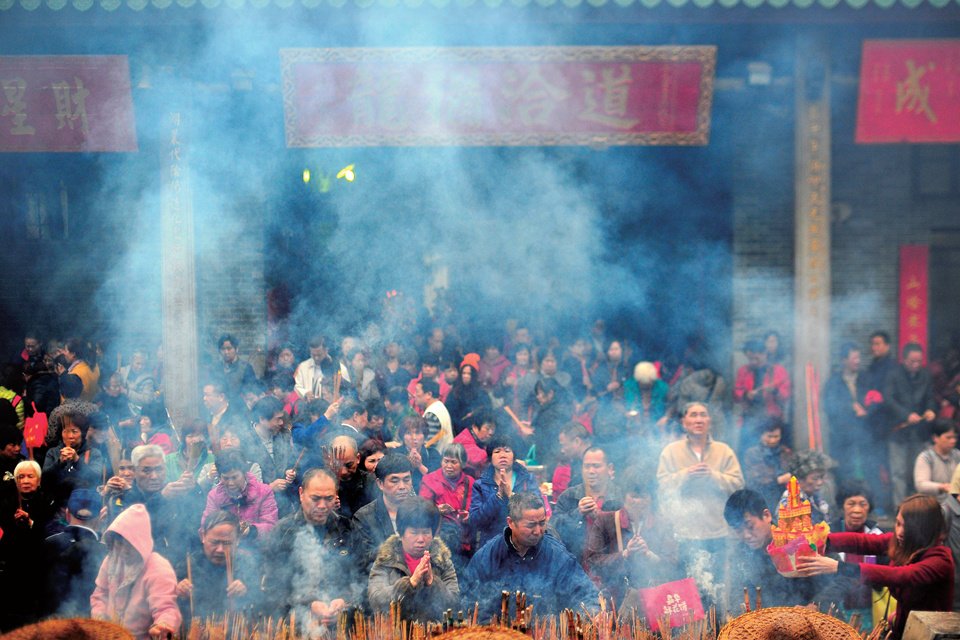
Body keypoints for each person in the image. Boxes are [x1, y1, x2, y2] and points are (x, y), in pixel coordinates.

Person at [797, 494, 954, 640]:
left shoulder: (940, 559)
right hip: (902, 628)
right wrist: (822, 541)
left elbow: (900, 575)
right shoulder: (903, 543)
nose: (899, 531)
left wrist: (839, 567)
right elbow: (862, 542)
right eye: (898, 524)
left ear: (923, 530)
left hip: (930, 635)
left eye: (906, 527)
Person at [657, 401, 744, 605]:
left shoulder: (724, 451)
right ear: (684, 422)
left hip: (718, 533)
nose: (698, 419)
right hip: (685, 534)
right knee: (687, 597)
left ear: (709, 421)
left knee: (717, 592)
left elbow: (739, 485)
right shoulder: (671, 451)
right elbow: (662, 487)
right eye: (693, 415)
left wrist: (714, 476)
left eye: (703, 415)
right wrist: (685, 475)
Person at [463, 491, 598, 622]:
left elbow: (587, 595)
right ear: (511, 523)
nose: (538, 531)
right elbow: (468, 600)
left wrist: (587, 615)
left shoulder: (557, 556)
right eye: (531, 525)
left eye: (542, 523)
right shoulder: (488, 556)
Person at [263, 468, 362, 630]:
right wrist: (308, 604)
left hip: (342, 626)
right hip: (297, 626)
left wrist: (345, 601)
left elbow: (361, 575)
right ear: (301, 494)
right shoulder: (283, 532)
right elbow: (274, 588)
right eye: (315, 499)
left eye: (329, 498)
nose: (322, 506)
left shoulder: (347, 528)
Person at [584, 471, 680, 606]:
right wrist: (624, 554)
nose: (638, 502)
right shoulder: (605, 520)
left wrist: (649, 555)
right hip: (616, 598)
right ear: (624, 497)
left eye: (644, 496)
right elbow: (592, 559)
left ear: (652, 499)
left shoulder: (663, 525)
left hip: (653, 598)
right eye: (634, 496)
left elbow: (673, 564)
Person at [90, 503, 182, 639]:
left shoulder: (158, 568)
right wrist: (100, 615)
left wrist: (163, 625)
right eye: (119, 543)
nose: (124, 550)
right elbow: (100, 593)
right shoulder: (112, 560)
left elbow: (166, 608)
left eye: (130, 544)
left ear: (141, 542)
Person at [368, 498, 460, 621]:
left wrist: (433, 583)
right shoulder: (387, 559)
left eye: (426, 532)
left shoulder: (441, 560)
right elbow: (376, 600)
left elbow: (454, 602)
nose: (421, 539)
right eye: (414, 532)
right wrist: (410, 584)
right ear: (401, 533)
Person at [724, 489, 816, 609]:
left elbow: (839, 579)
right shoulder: (740, 554)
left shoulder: (798, 539)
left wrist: (815, 605)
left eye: (750, 526)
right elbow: (738, 595)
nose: (746, 535)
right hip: (766, 623)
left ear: (766, 515)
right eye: (738, 530)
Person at [817, 480, 884, 627]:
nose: (857, 510)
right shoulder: (828, 534)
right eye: (851, 503)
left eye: (863, 504)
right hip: (835, 609)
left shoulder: (878, 537)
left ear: (869, 507)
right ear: (842, 506)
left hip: (869, 610)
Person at [174, 510, 258, 623]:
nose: (220, 549)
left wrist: (246, 591)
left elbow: (261, 602)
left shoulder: (246, 564)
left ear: (237, 540)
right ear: (202, 536)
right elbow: (167, 606)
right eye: (214, 542)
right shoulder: (188, 565)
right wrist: (179, 592)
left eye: (227, 543)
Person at [469, 434, 545, 549]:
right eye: (497, 451)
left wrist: (511, 496)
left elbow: (538, 509)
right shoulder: (480, 485)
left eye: (507, 451)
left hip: (524, 544)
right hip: (492, 546)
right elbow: (475, 520)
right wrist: (498, 496)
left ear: (514, 456)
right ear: (490, 457)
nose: (503, 455)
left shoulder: (527, 480)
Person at [41, 488, 108, 618]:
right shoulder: (107, 552)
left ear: (67, 514)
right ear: (101, 517)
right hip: (93, 628)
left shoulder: (48, 544)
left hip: (52, 628)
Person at [886, 342, 938, 508]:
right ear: (904, 360)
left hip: (920, 432)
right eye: (912, 361)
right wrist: (906, 415)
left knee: (920, 472)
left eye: (919, 361)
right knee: (898, 472)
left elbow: (931, 397)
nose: (916, 365)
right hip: (899, 431)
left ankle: (921, 509)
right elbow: (888, 400)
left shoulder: (926, 375)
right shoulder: (893, 375)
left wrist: (931, 409)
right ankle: (899, 509)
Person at [550, 445, 621, 562]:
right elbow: (552, 530)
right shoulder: (569, 496)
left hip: (609, 568)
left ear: (610, 468)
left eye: (596, 466)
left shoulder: (619, 497)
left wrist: (602, 518)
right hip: (575, 566)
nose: (591, 471)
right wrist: (577, 513)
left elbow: (626, 533)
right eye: (587, 466)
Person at [353, 453, 416, 569]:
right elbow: (364, 560)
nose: (402, 486)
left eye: (406, 479)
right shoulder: (364, 517)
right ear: (380, 484)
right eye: (394, 480)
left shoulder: (420, 510)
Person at [201, 449, 278, 542]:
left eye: (234, 477)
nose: (230, 483)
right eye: (225, 478)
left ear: (244, 473)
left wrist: (251, 530)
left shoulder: (264, 492)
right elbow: (205, 527)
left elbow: (271, 526)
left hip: (256, 549)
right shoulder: (214, 496)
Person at [419, 443, 474, 564]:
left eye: (454, 462)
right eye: (446, 461)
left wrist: (469, 515)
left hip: (465, 538)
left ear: (463, 464)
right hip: (440, 538)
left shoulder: (470, 482)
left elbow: (476, 507)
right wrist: (437, 509)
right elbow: (421, 508)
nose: (449, 466)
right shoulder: (429, 480)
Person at [733, 339, 790, 456]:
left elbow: (786, 395)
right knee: (746, 453)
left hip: (772, 421)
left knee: (778, 455)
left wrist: (774, 391)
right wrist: (746, 394)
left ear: (764, 354)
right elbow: (736, 393)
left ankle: (783, 475)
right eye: (750, 359)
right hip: (750, 419)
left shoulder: (778, 370)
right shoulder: (743, 371)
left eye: (756, 358)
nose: (753, 362)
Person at [246, 395, 297, 515]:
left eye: (282, 418)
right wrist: (269, 487)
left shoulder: (284, 435)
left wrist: (291, 472)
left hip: (284, 506)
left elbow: (292, 462)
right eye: (277, 419)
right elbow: (244, 483)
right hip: (259, 509)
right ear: (262, 419)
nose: (281, 422)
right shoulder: (245, 442)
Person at [42, 410, 106, 494]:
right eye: (65, 431)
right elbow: (45, 478)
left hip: (84, 502)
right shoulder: (53, 452)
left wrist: (77, 460)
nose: (70, 436)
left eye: (74, 431)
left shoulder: (94, 453)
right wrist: (60, 462)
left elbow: (95, 478)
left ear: (83, 434)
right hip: (57, 501)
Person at [741, 418, 793, 516]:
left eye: (776, 436)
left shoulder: (786, 452)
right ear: (761, 435)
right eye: (769, 436)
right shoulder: (752, 454)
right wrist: (779, 480)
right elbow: (754, 481)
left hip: (783, 499)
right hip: (761, 499)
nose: (773, 440)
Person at [783, 449, 835, 525]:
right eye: (815, 478)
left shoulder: (815, 497)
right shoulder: (790, 503)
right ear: (800, 478)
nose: (820, 482)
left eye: (822, 477)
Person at [913, 420, 960, 504]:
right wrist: (942, 487)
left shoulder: (957, 455)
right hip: (933, 504)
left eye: (955, 437)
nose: (953, 441)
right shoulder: (926, 457)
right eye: (948, 437)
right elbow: (921, 484)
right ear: (935, 438)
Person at [445, 362, 491, 434]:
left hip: (475, 430)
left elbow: (486, 410)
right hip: (456, 429)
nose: (465, 376)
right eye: (464, 373)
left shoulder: (481, 392)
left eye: (469, 374)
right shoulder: (455, 391)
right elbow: (448, 411)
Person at [397, 415, 441, 491]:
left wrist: (420, 466)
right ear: (402, 436)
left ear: (425, 435)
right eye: (408, 433)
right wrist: (407, 463)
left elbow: (437, 480)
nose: (414, 438)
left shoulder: (433, 454)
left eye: (418, 433)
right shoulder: (395, 454)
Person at [213, 333, 258, 401]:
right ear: (219, 351)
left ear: (236, 349)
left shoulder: (246, 368)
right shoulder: (216, 368)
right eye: (223, 349)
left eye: (229, 348)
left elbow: (251, 390)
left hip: (239, 408)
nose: (226, 352)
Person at [452, 409, 496, 478]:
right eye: (487, 429)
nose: (491, 433)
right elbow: (480, 460)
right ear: (475, 427)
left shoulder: (479, 441)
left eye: (493, 429)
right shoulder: (463, 441)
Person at [413, 378, 453, 451]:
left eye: (417, 391)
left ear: (428, 395)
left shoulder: (431, 414)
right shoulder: (438, 407)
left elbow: (428, 445)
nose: (414, 394)